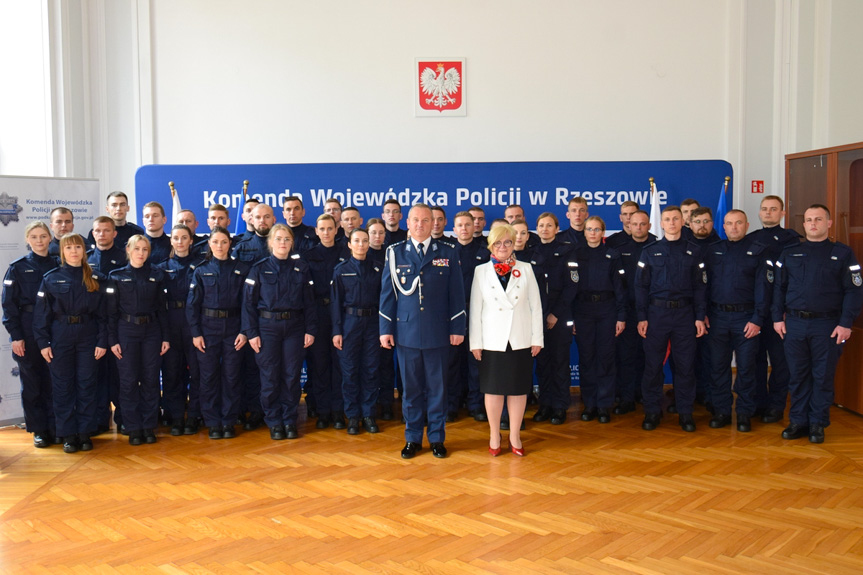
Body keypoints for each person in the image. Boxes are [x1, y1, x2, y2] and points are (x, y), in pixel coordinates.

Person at [380, 203, 466, 459]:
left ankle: (437, 438)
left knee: (438, 390)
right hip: (406, 333)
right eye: (415, 220)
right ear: (408, 222)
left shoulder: (448, 252)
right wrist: (386, 329)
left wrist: (457, 327)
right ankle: (413, 438)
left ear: (434, 224)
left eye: (425, 220)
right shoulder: (395, 253)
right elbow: (387, 295)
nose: (420, 225)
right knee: (411, 390)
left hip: (438, 332)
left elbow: (457, 294)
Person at [772, 204, 863, 443]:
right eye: (809, 219)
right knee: (798, 375)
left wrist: (845, 323)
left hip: (828, 325)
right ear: (803, 225)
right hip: (794, 324)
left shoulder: (843, 254)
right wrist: (776, 317)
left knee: (822, 376)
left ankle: (817, 424)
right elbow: (778, 289)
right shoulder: (790, 252)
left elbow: (854, 291)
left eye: (819, 219)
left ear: (829, 223)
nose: (813, 223)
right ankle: (798, 421)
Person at [470, 224, 543, 456]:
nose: (503, 247)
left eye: (508, 242)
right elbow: (475, 309)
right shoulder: (480, 271)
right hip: (492, 340)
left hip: (520, 337)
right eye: (498, 243)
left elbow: (536, 306)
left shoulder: (526, 269)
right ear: (491, 245)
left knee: (518, 390)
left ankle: (514, 435)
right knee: (493, 390)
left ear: (514, 244)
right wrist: (476, 342)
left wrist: (537, 338)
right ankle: (494, 434)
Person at [33, 233, 108, 453]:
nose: (73, 251)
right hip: (60, 336)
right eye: (68, 248)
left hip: (88, 335)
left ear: (84, 250)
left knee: (86, 384)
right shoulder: (51, 278)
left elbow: (104, 315)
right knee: (63, 387)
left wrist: (102, 341)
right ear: (62, 252)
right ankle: (67, 434)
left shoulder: (96, 277)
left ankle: (85, 433)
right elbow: (41, 315)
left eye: (77, 247)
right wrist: (43, 343)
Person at [635, 206, 707, 432]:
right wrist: (642, 317)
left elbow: (700, 287)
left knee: (685, 366)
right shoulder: (649, 251)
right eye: (667, 219)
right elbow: (641, 287)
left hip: (685, 315)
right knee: (652, 366)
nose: (672, 222)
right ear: (661, 224)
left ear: (682, 222)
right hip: (656, 315)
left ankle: (685, 413)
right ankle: (652, 412)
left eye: (676, 218)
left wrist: (699, 317)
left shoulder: (694, 251)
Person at [243, 224, 316, 440]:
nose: (283, 243)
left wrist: (310, 329)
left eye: (286, 239)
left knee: (292, 376)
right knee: (270, 377)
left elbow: (310, 303)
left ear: (292, 242)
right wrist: (252, 333)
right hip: (267, 329)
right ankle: (274, 421)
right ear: (271, 242)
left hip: (294, 327)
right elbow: (248, 304)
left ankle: (289, 420)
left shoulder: (301, 268)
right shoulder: (258, 268)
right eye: (279, 239)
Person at [704, 210, 771, 432]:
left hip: (746, 319)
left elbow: (763, 289)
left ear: (747, 224)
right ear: (723, 227)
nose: (734, 227)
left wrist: (757, 320)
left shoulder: (758, 252)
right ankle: (722, 411)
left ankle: (744, 413)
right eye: (729, 223)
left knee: (746, 369)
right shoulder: (713, 251)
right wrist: (702, 313)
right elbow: (704, 286)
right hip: (717, 318)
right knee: (718, 367)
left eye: (738, 223)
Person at [187, 227, 250, 440]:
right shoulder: (201, 270)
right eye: (216, 242)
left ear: (230, 244)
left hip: (234, 329)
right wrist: (196, 333)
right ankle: (213, 421)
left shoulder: (242, 269)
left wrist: (244, 331)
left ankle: (229, 421)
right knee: (208, 377)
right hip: (208, 329)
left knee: (232, 376)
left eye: (224, 242)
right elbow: (192, 305)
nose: (220, 246)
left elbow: (247, 304)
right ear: (209, 245)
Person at [107, 236, 170, 446]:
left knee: (151, 380)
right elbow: (110, 312)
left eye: (145, 249)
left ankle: (149, 426)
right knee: (128, 381)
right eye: (137, 249)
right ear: (128, 250)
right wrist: (112, 339)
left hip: (152, 331)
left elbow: (163, 309)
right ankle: (133, 427)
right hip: (126, 331)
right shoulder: (115, 276)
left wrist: (166, 337)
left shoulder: (156, 275)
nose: (141, 253)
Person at [2, 223, 59, 447]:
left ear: (49, 238)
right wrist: (16, 336)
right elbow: (8, 305)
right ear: (28, 239)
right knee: (32, 381)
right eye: (34, 237)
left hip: (53, 328)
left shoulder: (58, 264)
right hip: (26, 328)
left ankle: (55, 427)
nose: (39, 240)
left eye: (43, 236)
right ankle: (39, 430)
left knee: (54, 381)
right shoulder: (17, 268)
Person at [749, 195, 801, 423]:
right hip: (754, 310)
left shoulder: (792, 241)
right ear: (759, 213)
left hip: (780, 311)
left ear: (782, 213)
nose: (768, 212)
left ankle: (776, 405)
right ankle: (758, 402)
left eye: (773, 209)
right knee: (755, 359)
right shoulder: (750, 239)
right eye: (764, 209)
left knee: (780, 362)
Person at [572, 216, 626, 423]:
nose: (593, 233)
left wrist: (621, 316)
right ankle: (590, 404)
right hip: (583, 311)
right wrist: (572, 319)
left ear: (603, 233)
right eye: (589, 229)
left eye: (597, 229)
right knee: (587, 358)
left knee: (605, 358)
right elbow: (571, 289)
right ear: (584, 232)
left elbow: (620, 289)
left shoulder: (612, 255)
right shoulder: (576, 254)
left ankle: (604, 405)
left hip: (607, 310)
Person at [155, 224, 205, 435]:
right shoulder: (161, 268)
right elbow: (157, 303)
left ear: (191, 240)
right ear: (171, 241)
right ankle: (176, 416)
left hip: (194, 323)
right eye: (176, 238)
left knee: (197, 373)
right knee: (172, 373)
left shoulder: (201, 266)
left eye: (184, 238)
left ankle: (194, 415)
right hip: (171, 323)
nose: (180, 242)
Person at [332, 228, 383, 434]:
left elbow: (384, 300)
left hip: (373, 323)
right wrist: (337, 331)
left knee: (371, 370)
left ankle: (368, 414)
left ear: (369, 243)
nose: (361, 245)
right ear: (350, 244)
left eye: (365, 241)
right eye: (357, 241)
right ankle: (352, 416)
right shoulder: (341, 270)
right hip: (349, 323)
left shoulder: (379, 269)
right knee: (350, 371)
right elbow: (335, 303)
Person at [303, 214, 350, 428]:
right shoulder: (308, 255)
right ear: (316, 231)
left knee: (340, 365)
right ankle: (323, 412)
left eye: (330, 228)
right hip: (318, 314)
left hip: (342, 314)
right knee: (320, 365)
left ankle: (338, 412)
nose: (326, 233)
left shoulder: (346, 253)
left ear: (337, 228)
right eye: (322, 229)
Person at [532, 213, 578, 425]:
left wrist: (555, 314)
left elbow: (572, 286)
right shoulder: (532, 252)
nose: (544, 229)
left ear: (557, 228)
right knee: (542, 363)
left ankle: (560, 406)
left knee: (559, 362)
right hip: (537, 317)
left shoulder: (567, 251)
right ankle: (546, 404)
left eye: (549, 225)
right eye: (541, 225)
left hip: (560, 315)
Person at [447, 211, 490, 422]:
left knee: (476, 361)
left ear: (475, 227)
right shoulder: (446, 253)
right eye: (460, 225)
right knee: (451, 362)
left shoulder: (486, 252)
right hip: (453, 314)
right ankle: (452, 404)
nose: (464, 229)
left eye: (468, 224)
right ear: (454, 230)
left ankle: (476, 405)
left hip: (479, 313)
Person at [614, 210, 656, 414]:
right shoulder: (620, 249)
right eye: (634, 224)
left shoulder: (658, 246)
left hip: (654, 312)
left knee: (649, 357)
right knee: (627, 356)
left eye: (643, 224)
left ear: (649, 226)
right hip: (629, 311)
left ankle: (646, 396)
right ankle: (627, 398)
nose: (638, 228)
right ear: (629, 226)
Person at [87, 216, 126, 434]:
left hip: (120, 323)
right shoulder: (86, 260)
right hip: (93, 326)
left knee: (120, 374)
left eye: (106, 230)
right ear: (93, 234)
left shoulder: (123, 258)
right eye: (98, 231)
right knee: (97, 374)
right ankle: (101, 418)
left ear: (114, 233)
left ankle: (122, 416)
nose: (102, 234)